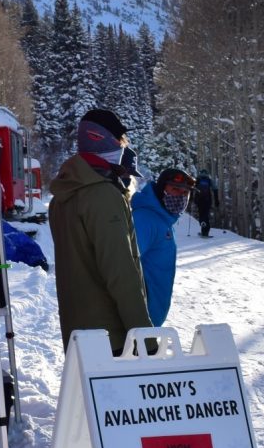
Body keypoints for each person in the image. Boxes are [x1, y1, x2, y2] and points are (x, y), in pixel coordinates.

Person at [47, 108, 151, 354]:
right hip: (113, 339)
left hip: (80, 335)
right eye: (120, 141)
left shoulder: (64, 195)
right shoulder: (102, 195)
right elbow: (120, 272)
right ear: (101, 139)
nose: (123, 147)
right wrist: (147, 340)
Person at [133, 167, 193, 326]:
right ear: (161, 189)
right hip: (138, 320)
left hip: (149, 320)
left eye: (185, 192)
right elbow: (124, 266)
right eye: (175, 189)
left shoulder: (163, 219)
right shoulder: (145, 219)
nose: (181, 196)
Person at [193, 170, 217, 237]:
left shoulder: (197, 180)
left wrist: (191, 198)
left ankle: (203, 228)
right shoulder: (209, 180)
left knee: (201, 214)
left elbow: (192, 188)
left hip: (199, 200)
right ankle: (205, 232)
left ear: (200, 173)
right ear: (207, 174)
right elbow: (215, 189)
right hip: (207, 200)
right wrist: (216, 200)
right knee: (206, 215)